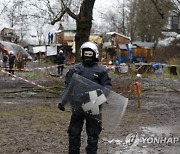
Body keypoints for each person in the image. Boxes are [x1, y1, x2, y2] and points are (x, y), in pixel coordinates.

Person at [58, 41, 112, 154]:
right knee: (74, 133)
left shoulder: (102, 71)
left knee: (93, 134)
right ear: (82, 54)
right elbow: (69, 86)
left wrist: (98, 100)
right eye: (85, 54)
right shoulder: (75, 70)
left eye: (90, 54)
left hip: (94, 105)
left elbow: (107, 88)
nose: (88, 56)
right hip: (78, 105)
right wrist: (63, 101)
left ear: (94, 54)